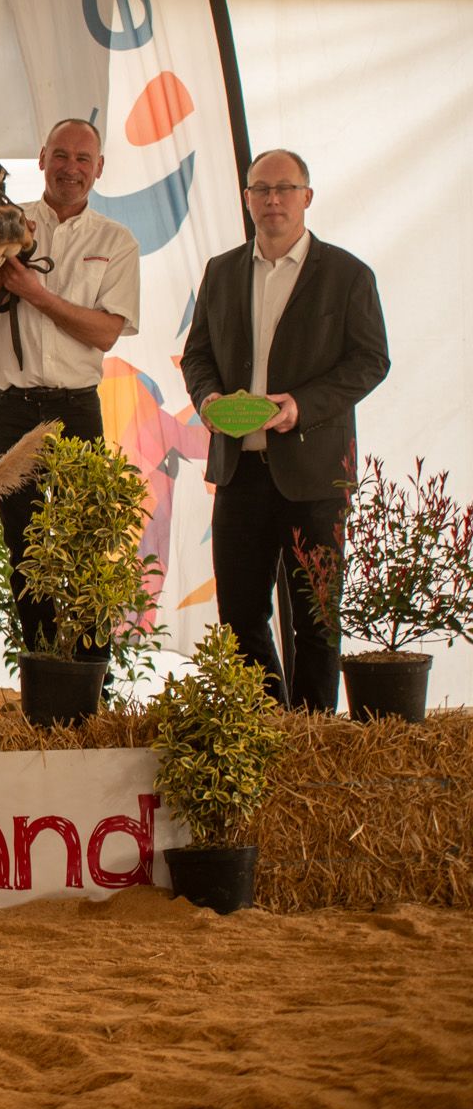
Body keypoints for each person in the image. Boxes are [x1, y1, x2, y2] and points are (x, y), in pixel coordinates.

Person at [181, 149, 389, 711]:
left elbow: (370, 361)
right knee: (240, 616)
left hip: (315, 478)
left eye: (285, 189)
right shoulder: (221, 271)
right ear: (247, 199)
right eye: (261, 190)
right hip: (239, 470)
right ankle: (269, 729)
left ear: (307, 197)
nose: (273, 199)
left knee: (316, 621)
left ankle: (314, 732)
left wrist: (302, 405)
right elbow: (197, 355)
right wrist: (207, 398)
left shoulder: (347, 274)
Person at [0, 117, 141, 662]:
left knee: (87, 544)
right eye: (61, 156)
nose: (71, 169)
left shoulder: (117, 241)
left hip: (74, 408)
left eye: (83, 160)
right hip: (9, 409)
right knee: (26, 547)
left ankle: (92, 679)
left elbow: (105, 332)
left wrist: (38, 295)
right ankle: (43, 671)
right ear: (41, 160)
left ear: (99, 169)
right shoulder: (5, 224)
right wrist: (7, 256)